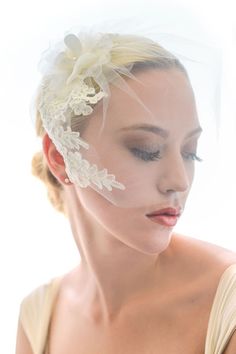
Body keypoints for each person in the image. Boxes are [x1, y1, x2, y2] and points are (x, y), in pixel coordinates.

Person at [15, 30, 236, 354]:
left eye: (190, 152)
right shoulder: (38, 317)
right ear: (61, 157)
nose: (179, 181)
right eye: (146, 150)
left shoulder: (227, 302)